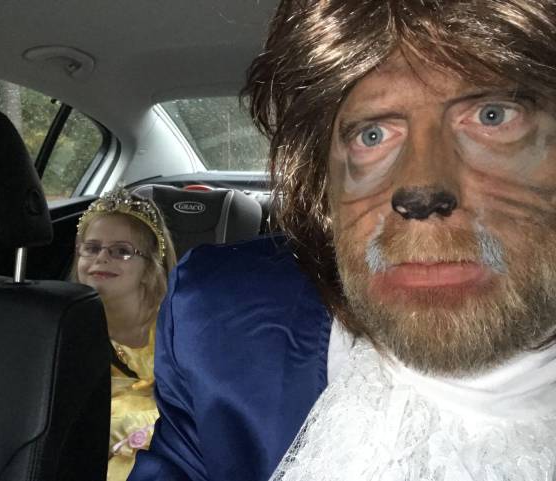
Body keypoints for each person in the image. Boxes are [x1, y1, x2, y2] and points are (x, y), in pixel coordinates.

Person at [129, 0, 556, 480]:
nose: (420, 192)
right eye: (372, 135)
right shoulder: (217, 330)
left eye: (493, 116)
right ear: (325, 187)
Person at [73, 187, 176, 481]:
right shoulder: (66, 328)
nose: (102, 258)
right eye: (92, 248)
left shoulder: (176, 326)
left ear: (149, 266)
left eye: (121, 251)